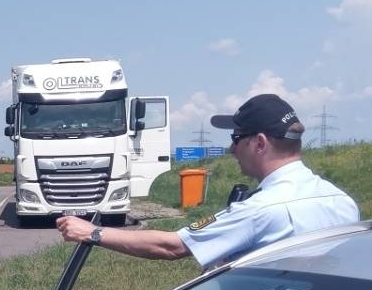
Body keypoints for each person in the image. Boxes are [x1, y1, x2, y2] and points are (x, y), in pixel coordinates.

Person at [57, 95, 359, 266]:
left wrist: (92, 232)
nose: (230, 149)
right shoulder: (340, 201)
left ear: (260, 143)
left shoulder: (260, 210)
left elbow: (172, 247)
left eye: (236, 138)